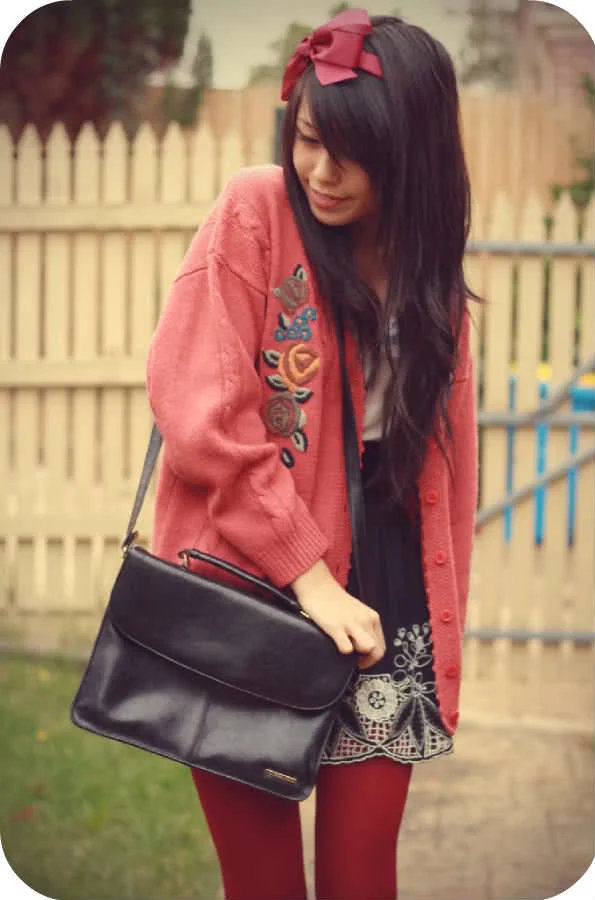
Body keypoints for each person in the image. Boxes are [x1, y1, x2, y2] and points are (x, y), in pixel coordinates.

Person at [146, 8, 478, 900]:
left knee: (363, 878)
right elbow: (201, 413)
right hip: (250, 589)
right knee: (262, 884)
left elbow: (446, 467)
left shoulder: (430, 265)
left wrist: (439, 611)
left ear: (411, 155)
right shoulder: (255, 210)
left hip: (386, 597)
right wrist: (309, 572)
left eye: (353, 153)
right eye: (307, 140)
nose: (320, 173)